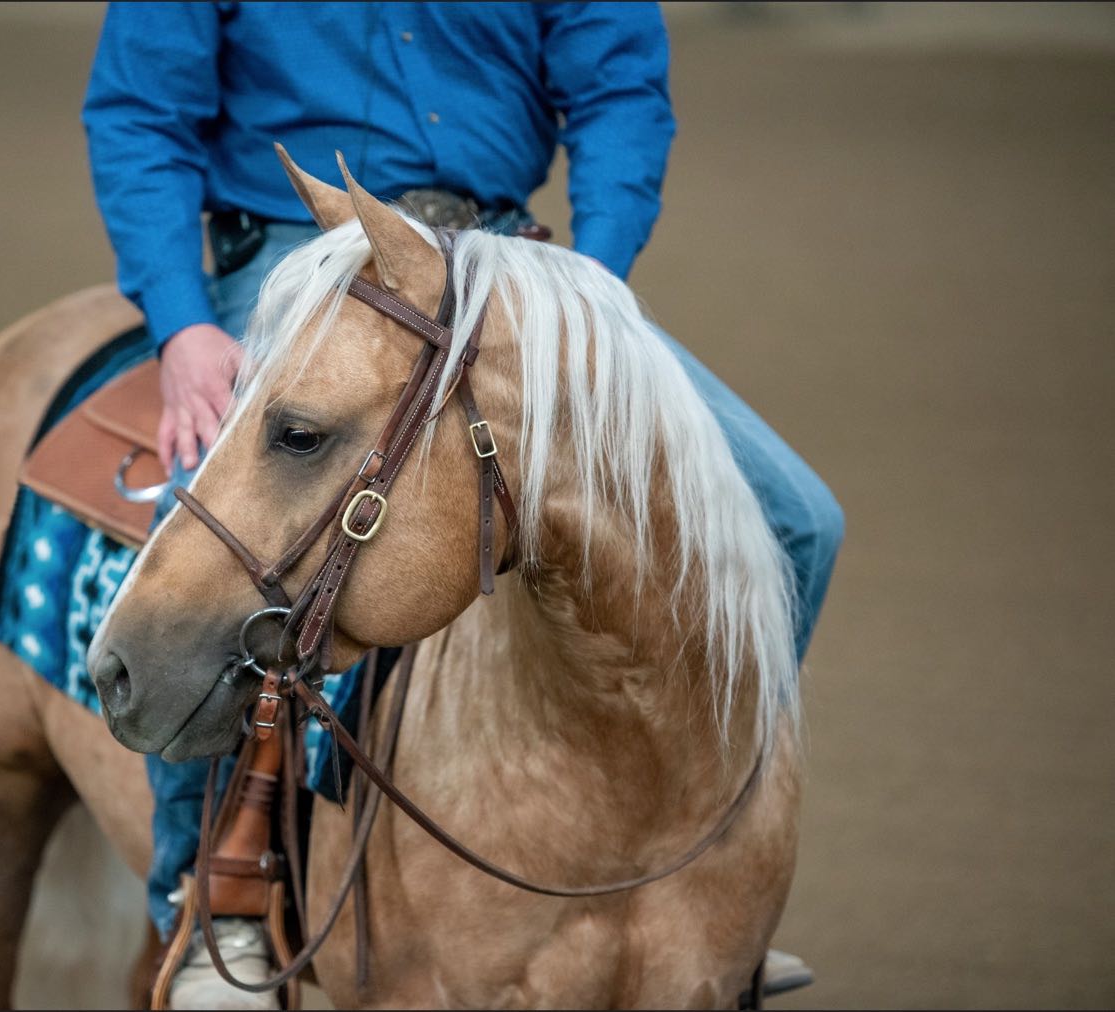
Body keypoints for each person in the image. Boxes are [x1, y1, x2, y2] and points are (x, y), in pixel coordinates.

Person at [82, 3, 840, 1006]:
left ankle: (715, 864)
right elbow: (139, 112)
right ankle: (213, 894)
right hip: (300, 253)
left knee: (794, 519)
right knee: (224, 531)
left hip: (505, 266)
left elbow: (617, 89)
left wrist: (592, 292)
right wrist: (181, 322)